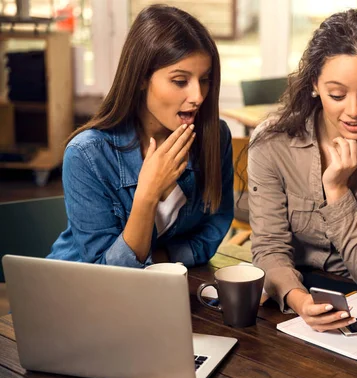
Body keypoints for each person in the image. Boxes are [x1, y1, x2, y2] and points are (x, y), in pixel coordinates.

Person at [248, 9, 357, 332]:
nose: (355, 111)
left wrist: (338, 190)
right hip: (285, 293)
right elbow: (269, 246)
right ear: (314, 83)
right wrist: (300, 300)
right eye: (337, 94)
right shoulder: (272, 143)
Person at [48, 5, 233, 268]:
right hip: (79, 291)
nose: (198, 96)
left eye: (205, 79)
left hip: (160, 285)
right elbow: (106, 272)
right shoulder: (86, 155)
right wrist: (147, 193)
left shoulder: (215, 137)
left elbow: (213, 230)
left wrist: (157, 261)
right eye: (180, 81)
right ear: (140, 78)